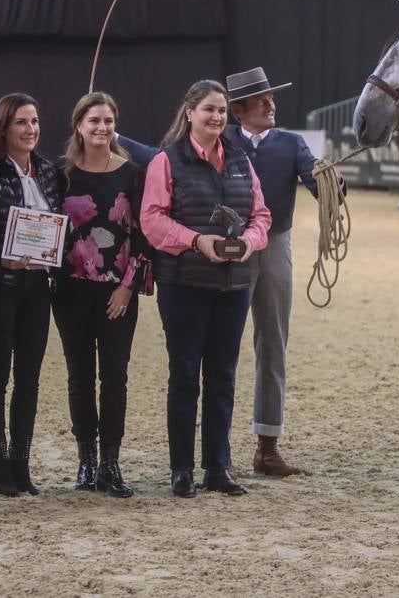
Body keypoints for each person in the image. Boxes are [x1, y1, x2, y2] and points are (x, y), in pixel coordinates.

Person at [141, 80, 271, 498]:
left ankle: (217, 466)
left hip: (234, 285)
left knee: (222, 376)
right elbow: (152, 219)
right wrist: (198, 241)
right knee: (184, 376)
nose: (216, 117)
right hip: (185, 284)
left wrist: (250, 242)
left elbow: (262, 213)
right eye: (208, 110)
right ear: (190, 113)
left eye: (221, 111)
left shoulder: (239, 159)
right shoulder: (166, 161)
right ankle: (181, 469)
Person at [227, 66, 340, 477]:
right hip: (229, 247)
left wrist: (331, 182)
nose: (271, 104)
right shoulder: (219, 141)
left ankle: (267, 447)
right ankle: (217, 448)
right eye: (262, 99)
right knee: (220, 347)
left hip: (275, 245)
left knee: (273, 343)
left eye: (271, 97)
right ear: (239, 110)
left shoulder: (292, 144)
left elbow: (317, 181)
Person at [57, 91, 153, 498]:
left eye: (108, 121)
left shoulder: (132, 173)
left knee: (114, 376)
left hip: (118, 293)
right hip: (69, 291)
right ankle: (85, 461)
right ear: (79, 124)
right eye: (93, 120)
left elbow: (143, 236)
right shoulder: (59, 173)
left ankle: (110, 463)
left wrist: (128, 287)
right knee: (79, 377)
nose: (101, 128)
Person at [0, 93, 66, 496]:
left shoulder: (49, 172)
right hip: (0, 290)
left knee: (28, 379)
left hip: (38, 290)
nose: (30, 130)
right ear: (4, 129)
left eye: (34, 122)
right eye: (21, 123)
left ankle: (21, 461)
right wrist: (1, 260)